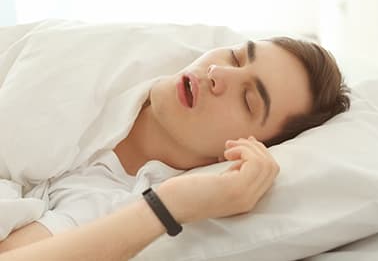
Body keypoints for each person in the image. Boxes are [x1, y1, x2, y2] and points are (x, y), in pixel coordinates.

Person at [0, 37, 350, 260]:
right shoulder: (109, 59)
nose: (217, 73)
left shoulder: (113, 200)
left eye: (248, 100)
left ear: (246, 147)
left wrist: (170, 206)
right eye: (237, 57)